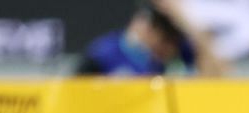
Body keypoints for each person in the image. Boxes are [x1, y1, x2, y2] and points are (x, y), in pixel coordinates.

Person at [73, 1, 227, 78]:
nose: (168, 47)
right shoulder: (104, 54)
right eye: (164, 38)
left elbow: (218, 76)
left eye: (172, 40)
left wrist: (188, 23)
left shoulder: (179, 52)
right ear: (146, 26)